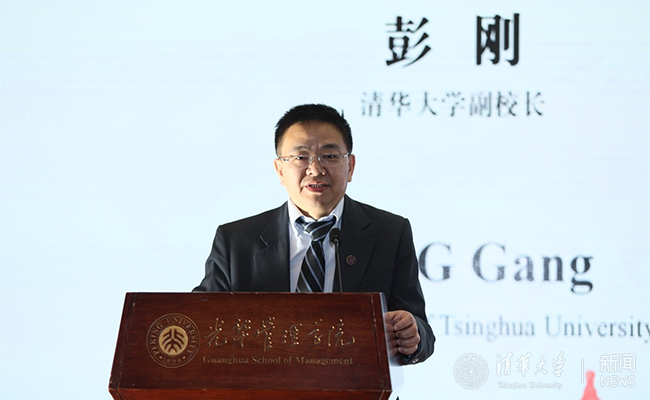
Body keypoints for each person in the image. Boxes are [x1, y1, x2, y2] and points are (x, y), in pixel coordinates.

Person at [194, 104, 435, 364]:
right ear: (280, 170)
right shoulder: (236, 240)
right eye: (301, 157)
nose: (316, 169)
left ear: (350, 166)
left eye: (329, 156)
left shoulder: (390, 232)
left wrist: (412, 334)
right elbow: (201, 322)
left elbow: (421, 331)